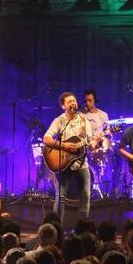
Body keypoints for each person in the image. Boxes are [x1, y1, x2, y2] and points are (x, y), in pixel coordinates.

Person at [43, 92, 95, 224]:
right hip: (62, 163)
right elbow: (46, 139)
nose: (73, 103)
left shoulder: (84, 120)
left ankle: (83, 228)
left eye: (74, 101)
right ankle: (56, 227)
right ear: (63, 106)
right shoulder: (59, 120)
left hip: (81, 163)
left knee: (85, 195)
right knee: (60, 197)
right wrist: (65, 146)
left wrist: (95, 143)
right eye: (69, 102)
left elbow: (90, 142)